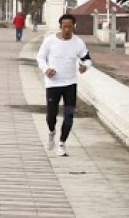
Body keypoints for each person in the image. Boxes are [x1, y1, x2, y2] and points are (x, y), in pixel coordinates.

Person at [36, 13, 91, 157]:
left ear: (74, 27)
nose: (67, 30)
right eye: (65, 27)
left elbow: (87, 59)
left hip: (70, 84)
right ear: (60, 26)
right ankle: (51, 131)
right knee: (51, 116)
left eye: (70, 27)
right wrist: (46, 69)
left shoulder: (78, 42)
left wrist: (85, 66)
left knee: (69, 115)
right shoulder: (50, 41)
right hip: (53, 84)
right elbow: (40, 58)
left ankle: (62, 143)